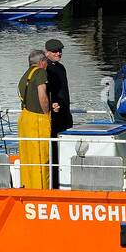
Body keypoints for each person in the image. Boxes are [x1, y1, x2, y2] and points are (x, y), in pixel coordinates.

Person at [16, 49, 52, 190]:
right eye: (46, 62)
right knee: (40, 157)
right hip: (37, 120)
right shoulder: (41, 73)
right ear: (42, 62)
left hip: (25, 118)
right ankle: (41, 189)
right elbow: (42, 94)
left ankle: (28, 186)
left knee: (28, 157)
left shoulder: (25, 76)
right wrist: (47, 113)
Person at [44, 38, 73, 188]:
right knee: (54, 149)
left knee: (65, 148)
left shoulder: (61, 68)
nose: (58, 53)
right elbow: (44, 92)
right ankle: (54, 183)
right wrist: (51, 105)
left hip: (65, 114)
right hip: (54, 115)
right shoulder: (46, 69)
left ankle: (64, 179)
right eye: (55, 51)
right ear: (47, 52)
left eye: (60, 50)